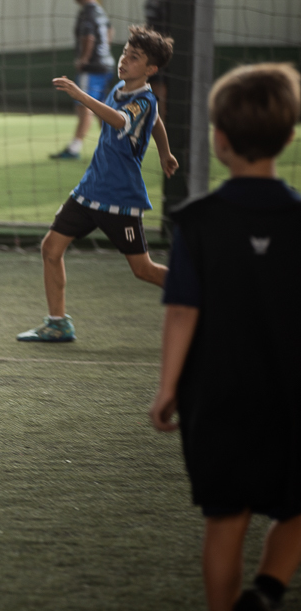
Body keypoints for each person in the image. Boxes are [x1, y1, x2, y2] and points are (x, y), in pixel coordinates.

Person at [150, 63, 301, 611]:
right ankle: (268, 591)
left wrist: (168, 388)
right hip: (290, 392)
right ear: (289, 137)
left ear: (219, 140)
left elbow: (182, 311)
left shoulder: (196, 221)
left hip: (216, 395)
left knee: (224, 520)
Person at [18, 27, 177, 343]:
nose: (124, 60)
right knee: (51, 248)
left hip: (120, 198)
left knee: (143, 269)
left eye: (134, 58)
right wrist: (165, 152)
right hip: (90, 191)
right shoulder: (121, 88)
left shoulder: (143, 100)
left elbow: (121, 120)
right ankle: (58, 323)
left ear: (151, 69)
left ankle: (204, 295)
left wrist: (81, 95)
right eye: (125, 53)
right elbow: (157, 122)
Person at [52, 0, 115, 160]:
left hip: (92, 68)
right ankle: (112, 147)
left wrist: (84, 59)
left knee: (84, 106)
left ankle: (74, 148)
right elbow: (110, 30)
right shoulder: (99, 10)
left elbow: (89, 37)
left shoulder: (87, 12)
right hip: (106, 65)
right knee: (102, 109)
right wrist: (104, 51)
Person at [144, 0, 171, 112]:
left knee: (163, 90)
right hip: (154, 51)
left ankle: (163, 122)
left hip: (169, 51)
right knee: (154, 88)